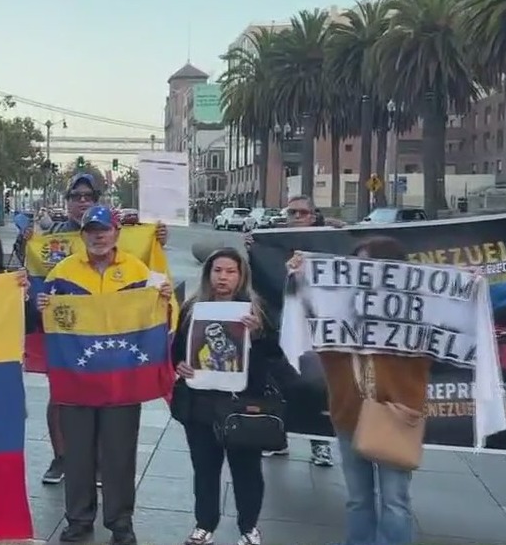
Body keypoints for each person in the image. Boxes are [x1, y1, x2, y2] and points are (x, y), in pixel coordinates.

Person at [35, 205, 173, 545]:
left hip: (121, 382)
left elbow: (160, 319)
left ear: (116, 233)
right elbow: (49, 326)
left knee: (119, 455)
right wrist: (40, 308)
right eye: (91, 230)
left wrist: (165, 302)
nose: (98, 235)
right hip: (77, 382)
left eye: (104, 229)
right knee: (77, 455)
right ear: (82, 235)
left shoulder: (138, 271)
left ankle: (120, 523)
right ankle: (79, 521)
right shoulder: (62, 273)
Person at [25, 174, 169, 486]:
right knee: (62, 396)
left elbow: (147, 269)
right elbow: (38, 278)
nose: (81, 200)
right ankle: (63, 457)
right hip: (70, 335)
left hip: (113, 333)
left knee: (111, 394)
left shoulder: (126, 235)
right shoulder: (50, 238)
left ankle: (104, 462)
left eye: (87, 195)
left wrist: (157, 237)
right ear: (67, 201)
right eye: (75, 195)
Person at [287, 236, 431, 545]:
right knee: (358, 498)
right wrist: (300, 281)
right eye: (358, 265)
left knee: (395, 500)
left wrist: (471, 287)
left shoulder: (415, 311)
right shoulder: (339, 309)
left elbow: (447, 327)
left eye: (371, 265)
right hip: (349, 414)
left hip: (397, 414)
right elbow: (313, 327)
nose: (363, 272)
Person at [172, 248, 295, 545]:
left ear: (241, 276)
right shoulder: (193, 308)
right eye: (217, 271)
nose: (222, 277)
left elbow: (275, 357)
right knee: (204, 468)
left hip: (243, 404)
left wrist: (257, 336)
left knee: (246, 470)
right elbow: (178, 348)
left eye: (230, 271)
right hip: (200, 402)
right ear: (208, 273)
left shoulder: (255, 309)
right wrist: (181, 364)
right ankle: (204, 524)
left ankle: (249, 527)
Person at [243, 194, 336, 467]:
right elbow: (257, 278)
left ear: (313, 215)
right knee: (277, 383)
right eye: (291, 212)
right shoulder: (272, 241)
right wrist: (252, 250)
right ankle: (277, 437)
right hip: (278, 323)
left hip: (315, 326)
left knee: (315, 386)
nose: (296, 217)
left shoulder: (328, 242)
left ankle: (321, 444)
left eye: (302, 213)